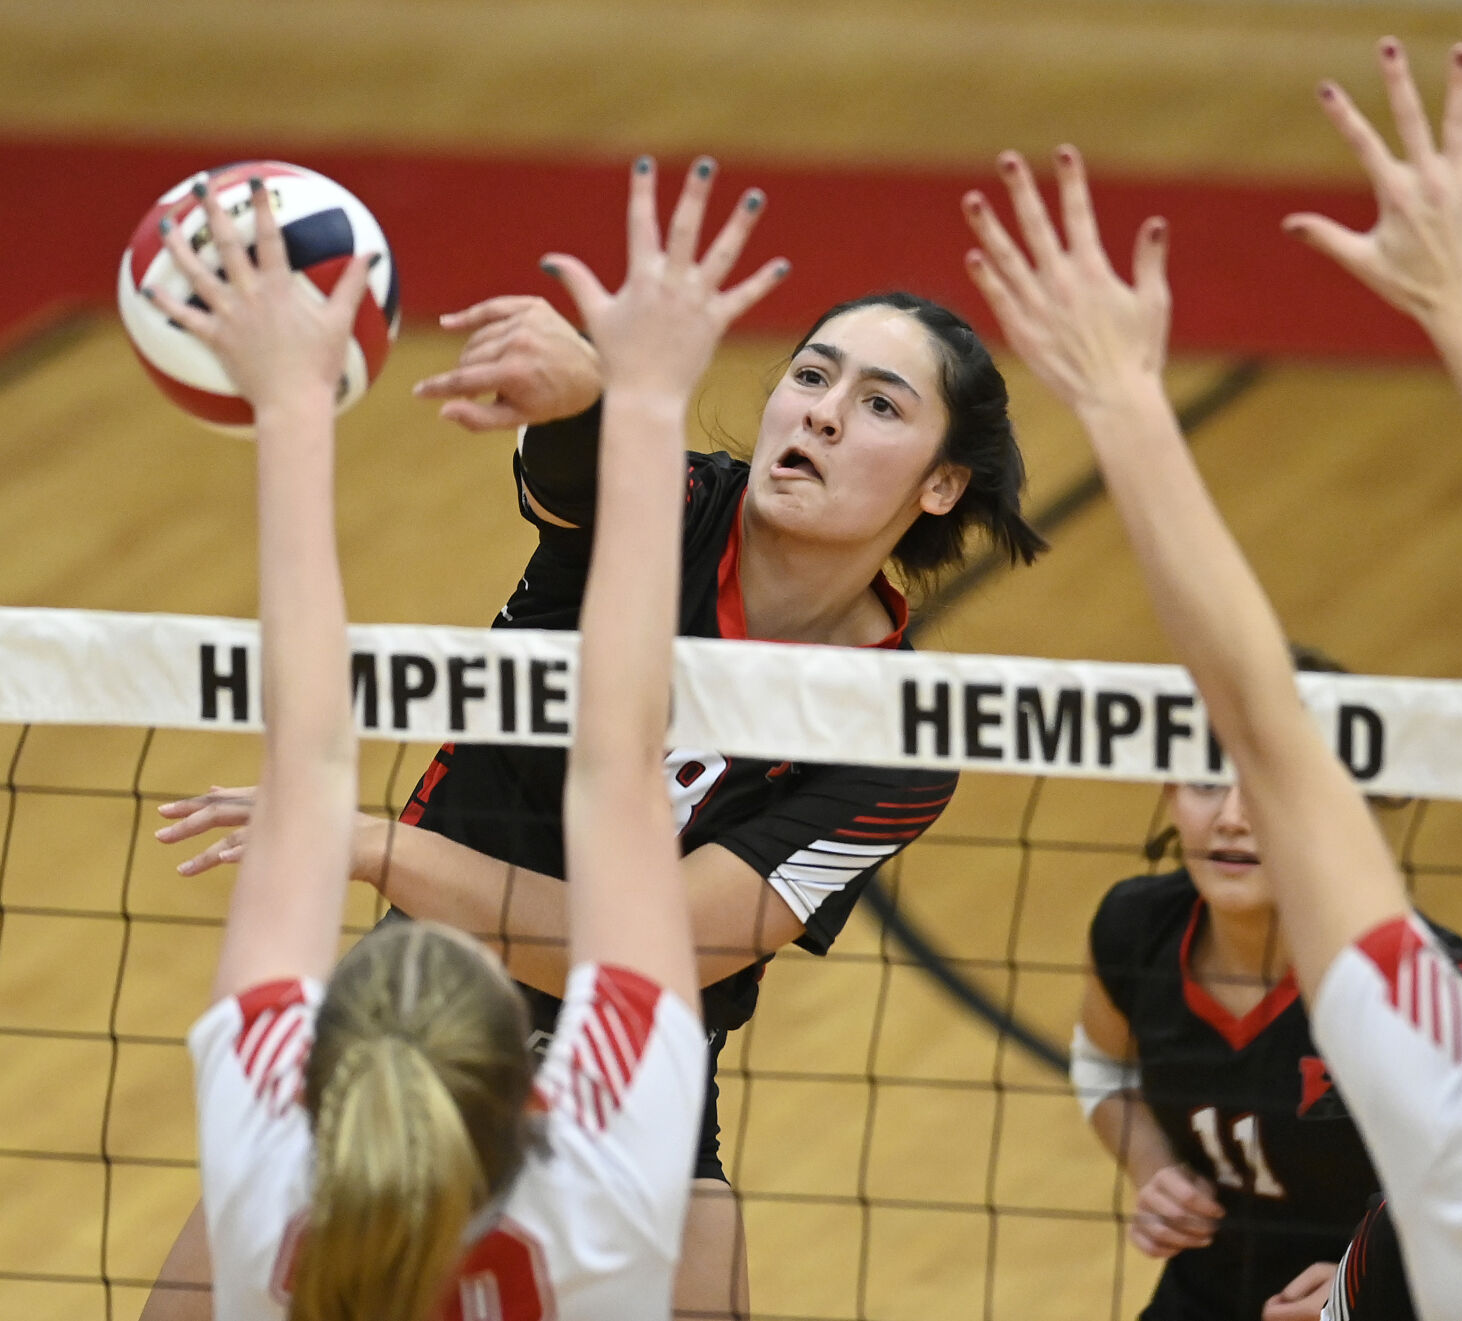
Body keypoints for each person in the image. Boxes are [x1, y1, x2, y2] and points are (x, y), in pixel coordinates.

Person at [154, 168, 1046, 1316]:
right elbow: (584, 460)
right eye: (811, 374)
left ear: (941, 485)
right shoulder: (664, 505)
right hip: (422, 1033)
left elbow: (623, 956)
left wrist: (369, 841)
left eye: (879, 404)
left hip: (629, 1095)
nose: (820, 410)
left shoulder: (899, 746)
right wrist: (589, 390)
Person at [962, 36, 1462, 1321]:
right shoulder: (1145, 933)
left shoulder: (1444, 1087)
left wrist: (1122, 397)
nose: (1234, 805)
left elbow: (1268, 730)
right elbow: (1271, 745)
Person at [143, 154, 785, 1319]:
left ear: (315, 1078)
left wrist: (287, 406)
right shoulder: (609, 1183)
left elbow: (307, 753)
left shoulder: (265, 1185)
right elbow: (618, 771)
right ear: (521, 1091)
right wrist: (641, 401)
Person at [1076, 651, 1462, 1321]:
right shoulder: (1135, 927)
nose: (1233, 816)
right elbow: (1101, 1062)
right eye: (1207, 778)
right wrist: (1151, 1165)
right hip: (1203, 1298)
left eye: (1266, 781)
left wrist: (1375, 1282)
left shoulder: (1427, 982)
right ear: (1170, 790)